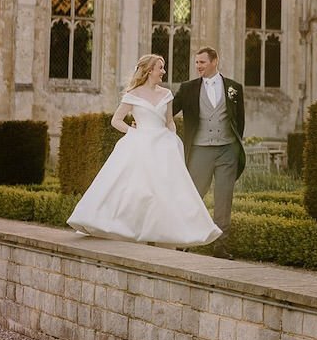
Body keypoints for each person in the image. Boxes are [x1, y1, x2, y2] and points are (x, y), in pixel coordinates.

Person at [67, 54, 222, 247]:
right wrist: (133, 132)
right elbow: (116, 120)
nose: (163, 71)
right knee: (136, 189)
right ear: (150, 71)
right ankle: (130, 228)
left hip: (163, 145)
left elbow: (169, 122)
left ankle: (163, 232)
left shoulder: (166, 94)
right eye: (160, 68)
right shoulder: (132, 95)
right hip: (139, 143)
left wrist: (173, 139)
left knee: (165, 191)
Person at [171, 46, 246, 240]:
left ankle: (221, 245)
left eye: (202, 62)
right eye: (196, 62)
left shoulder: (234, 87)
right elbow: (169, 111)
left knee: (224, 198)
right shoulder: (188, 88)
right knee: (193, 196)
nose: (198, 66)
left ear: (214, 62)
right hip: (200, 150)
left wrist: (232, 147)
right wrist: (145, 120)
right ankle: (185, 240)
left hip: (227, 151)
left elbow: (239, 121)